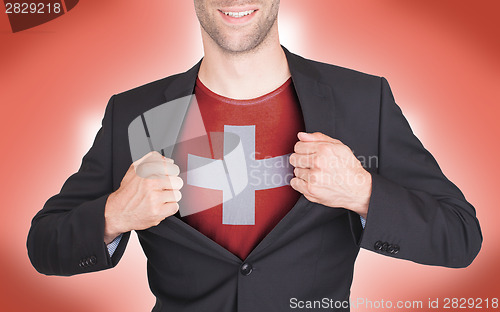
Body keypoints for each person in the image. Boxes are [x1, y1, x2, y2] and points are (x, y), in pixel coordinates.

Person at [27, 1, 482, 311]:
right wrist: (113, 215)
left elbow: (460, 236)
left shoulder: (362, 101)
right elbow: (44, 245)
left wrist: (363, 192)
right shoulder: (135, 113)